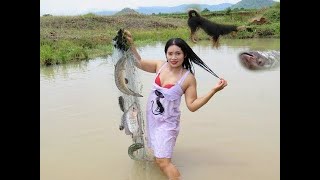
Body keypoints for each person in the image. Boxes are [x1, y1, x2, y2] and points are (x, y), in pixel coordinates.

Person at [124, 30, 228, 180]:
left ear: (184, 54)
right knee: (158, 157)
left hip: (167, 124)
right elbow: (137, 62)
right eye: (170, 53)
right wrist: (130, 43)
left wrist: (214, 90)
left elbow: (192, 105)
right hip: (152, 121)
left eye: (177, 53)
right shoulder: (159, 66)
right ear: (166, 54)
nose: (173, 57)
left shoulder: (188, 78)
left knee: (163, 162)